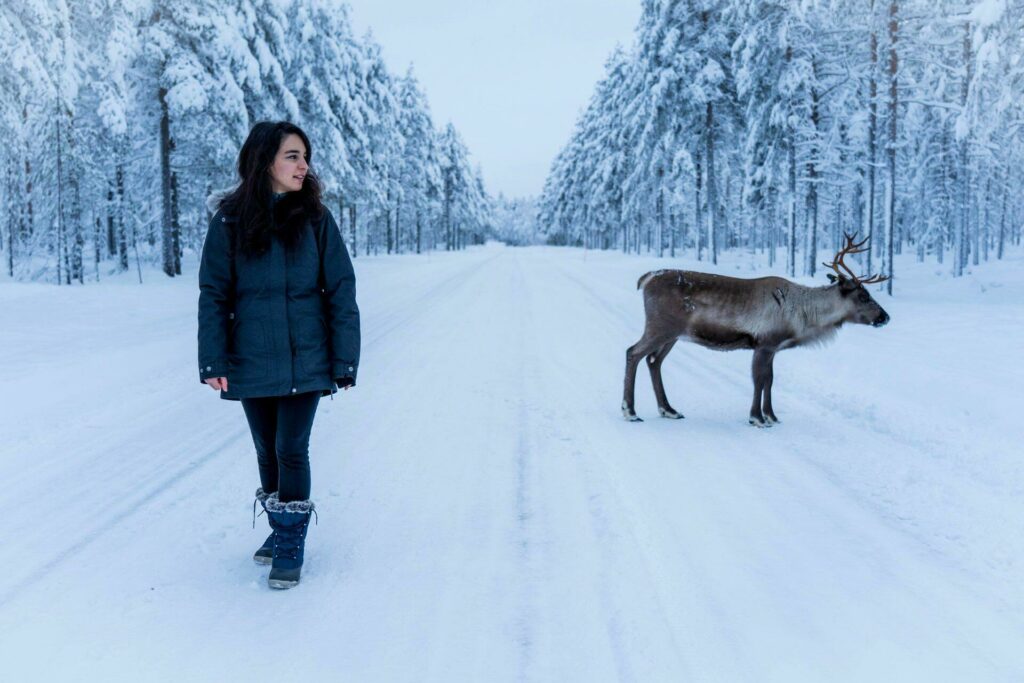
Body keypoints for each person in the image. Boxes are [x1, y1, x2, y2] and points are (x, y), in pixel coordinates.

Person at [198, 121, 360, 589]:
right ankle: (279, 527)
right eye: (293, 155)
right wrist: (214, 359)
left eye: (304, 156)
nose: (303, 164)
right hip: (251, 357)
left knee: (291, 448)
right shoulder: (229, 220)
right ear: (265, 159)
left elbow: (341, 289)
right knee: (266, 449)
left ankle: (290, 543)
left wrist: (344, 358)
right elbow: (214, 293)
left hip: (305, 357)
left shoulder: (315, 219)